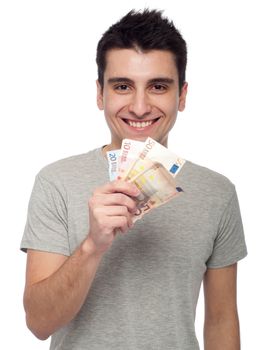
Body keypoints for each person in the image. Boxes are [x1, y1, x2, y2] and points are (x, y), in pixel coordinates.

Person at [21, 9, 247, 350]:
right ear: (100, 94)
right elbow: (39, 323)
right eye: (123, 86)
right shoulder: (56, 182)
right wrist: (92, 246)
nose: (140, 107)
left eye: (158, 86)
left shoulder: (217, 193)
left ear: (182, 95)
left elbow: (221, 319)